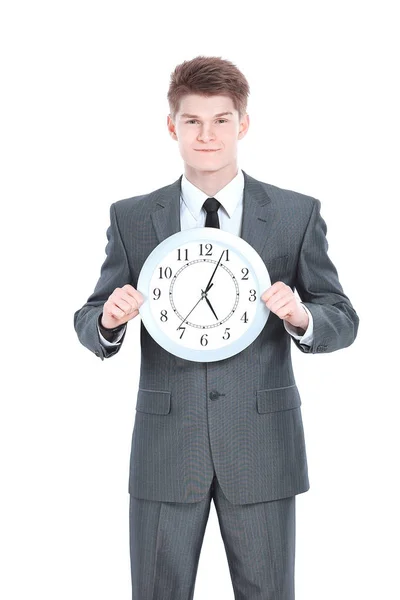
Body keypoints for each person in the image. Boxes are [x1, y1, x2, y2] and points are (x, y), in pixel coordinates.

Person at [73, 55, 359, 600]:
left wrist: (301, 316)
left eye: (221, 120)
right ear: (171, 126)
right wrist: (109, 320)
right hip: (165, 449)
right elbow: (88, 317)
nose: (207, 135)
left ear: (243, 124)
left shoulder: (296, 213)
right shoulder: (132, 217)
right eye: (193, 121)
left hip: (261, 447)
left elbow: (342, 317)